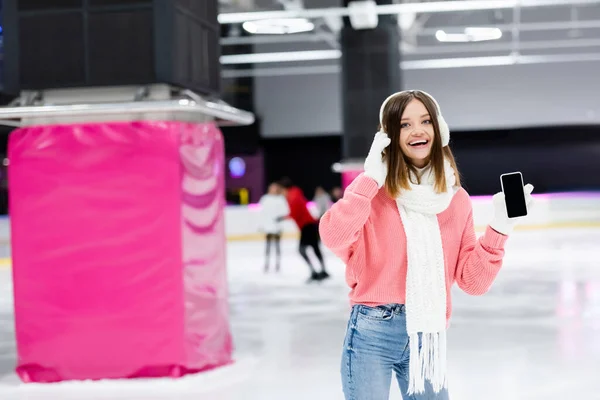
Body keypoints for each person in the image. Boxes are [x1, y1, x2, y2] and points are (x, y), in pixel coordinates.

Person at [318, 90, 534, 399]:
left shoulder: (455, 200)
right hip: (372, 329)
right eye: (404, 124)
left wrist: (500, 227)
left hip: (428, 335)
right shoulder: (372, 192)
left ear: (439, 129)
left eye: (425, 121)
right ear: (389, 136)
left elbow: (472, 282)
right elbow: (334, 236)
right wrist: (369, 179)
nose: (417, 130)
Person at [279, 177, 330, 283]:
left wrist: (283, 217)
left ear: (284, 189)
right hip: (309, 225)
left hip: (307, 226)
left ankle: (315, 271)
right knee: (314, 248)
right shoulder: (295, 194)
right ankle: (321, 271)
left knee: (303, 250)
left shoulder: (293, 197)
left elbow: (295, 213)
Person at [259, 182, 289, 273]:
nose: (273, 189)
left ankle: (277, 263)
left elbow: (285, 211)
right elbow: (262, 213)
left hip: (277, 226)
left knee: (277, 246)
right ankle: (267, 263)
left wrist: (280, 221)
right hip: (268, 226)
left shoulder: (280, 199)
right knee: (268, 246)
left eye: (275, 188)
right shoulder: (265, 199)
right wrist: (262, 225)